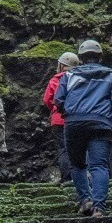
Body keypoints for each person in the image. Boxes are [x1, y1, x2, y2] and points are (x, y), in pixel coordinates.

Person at [54, 38, 112, 216]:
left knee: (77, 164)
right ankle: (99, 208)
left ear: (80, 58)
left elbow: (58, 100)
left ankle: (85, 200)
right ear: (100, 57)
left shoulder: (69, 76)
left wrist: (69, 112)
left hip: (74, 123)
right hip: (101, 123)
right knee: (99, 166)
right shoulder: (111, 75)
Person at [41, 51, 80, 184]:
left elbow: (47, 99)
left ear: (62, 65)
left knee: (63, 149)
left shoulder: (55, 80)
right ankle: (80, 177)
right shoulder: (80, 79)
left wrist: (55, 109)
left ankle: (67, 178)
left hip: (59, 120)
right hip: (77, 119)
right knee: (78, 148)